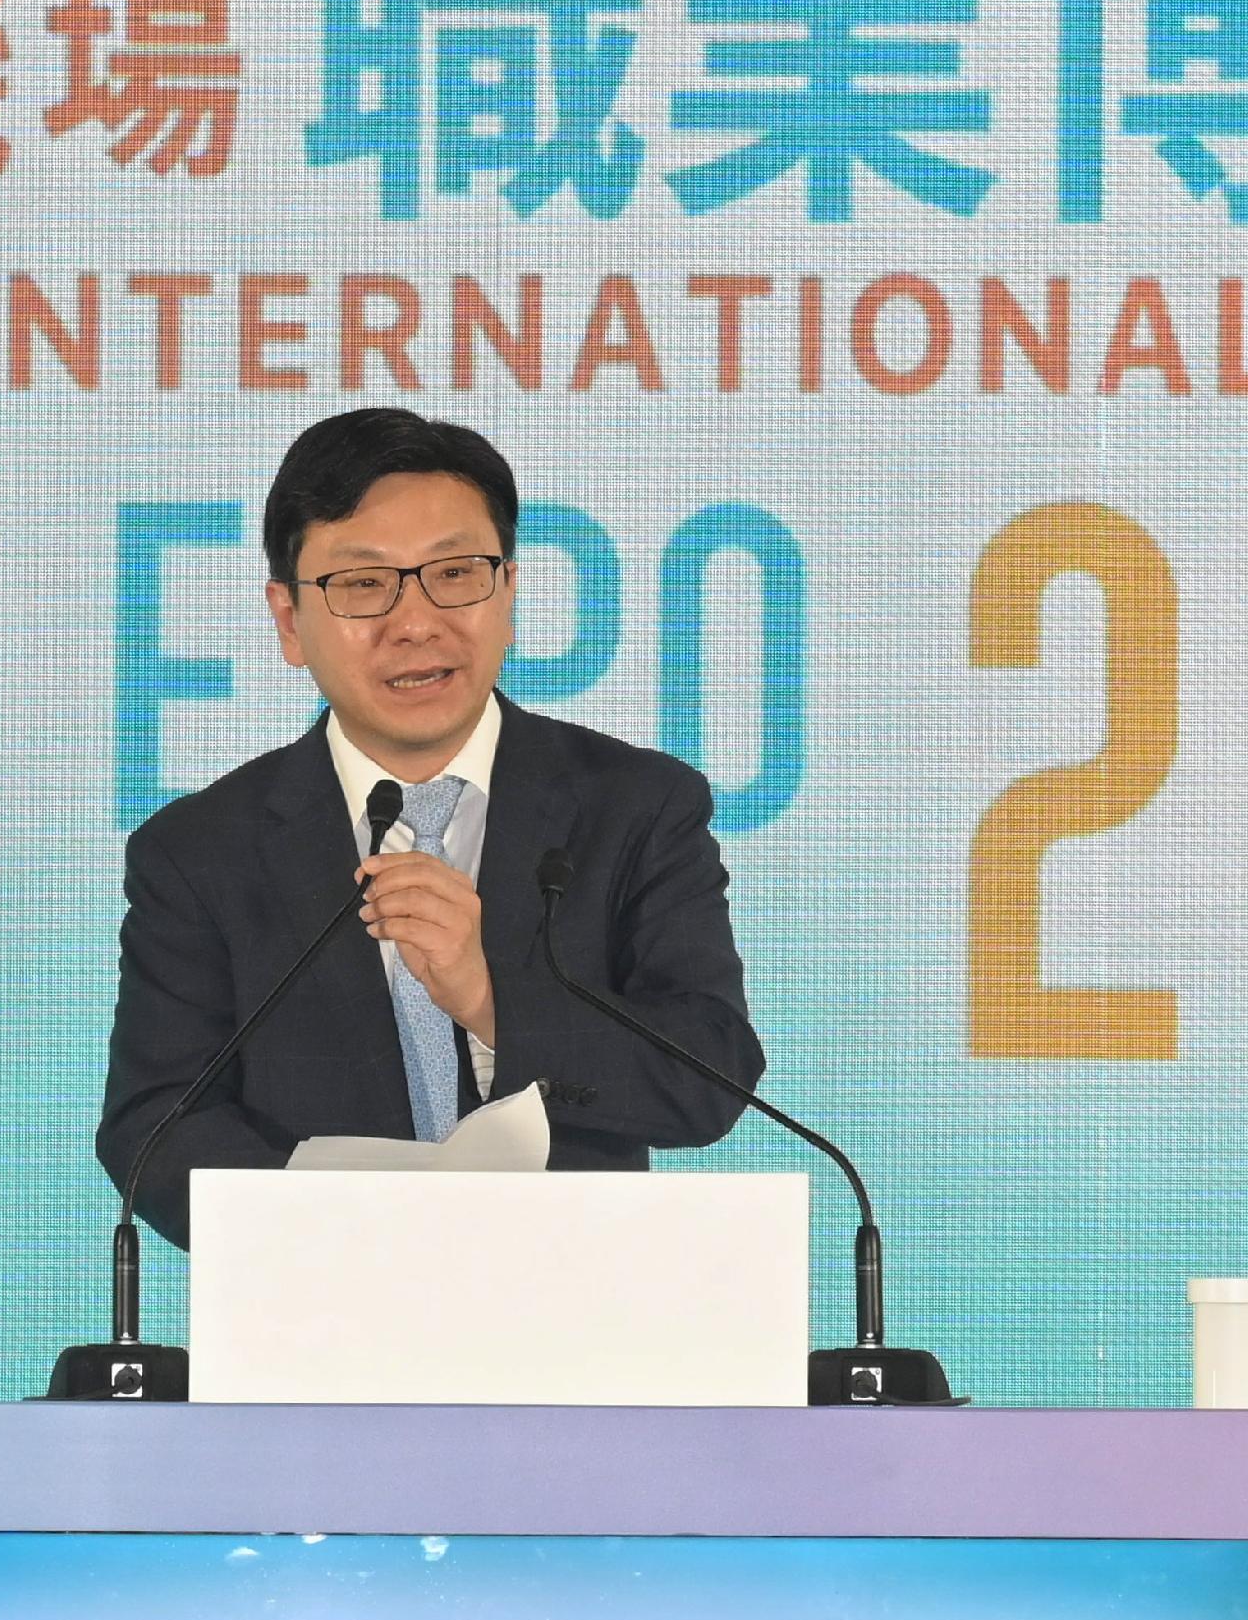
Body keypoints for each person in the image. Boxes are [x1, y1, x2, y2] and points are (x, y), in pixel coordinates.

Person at [96, 407, 762, 1244]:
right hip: (317, 1326)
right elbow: (155, 1124)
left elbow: (709, 1077)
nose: (416, 622)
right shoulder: (200, 852)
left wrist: (489, 999)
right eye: (363, 583)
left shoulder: (635, 807)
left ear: (509, 590)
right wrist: (367, 1235)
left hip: (581, 1317)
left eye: (454, 573)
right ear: (287, 619)